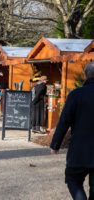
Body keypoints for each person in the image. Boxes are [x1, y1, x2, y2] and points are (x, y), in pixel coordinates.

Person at [50, 62, 94, 200]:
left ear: (85, 75)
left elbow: (64, 121)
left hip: (79, 149)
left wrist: (55, 144)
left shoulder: (76, 95)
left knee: (73, 180)